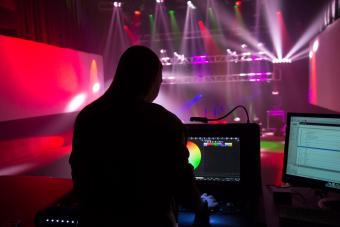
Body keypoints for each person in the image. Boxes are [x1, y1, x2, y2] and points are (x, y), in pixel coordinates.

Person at [69, 45, 215, 227]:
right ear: (152, 80)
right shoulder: (166, 122)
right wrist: (202, 205)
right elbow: (182, 185)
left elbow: (79, 175)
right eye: (160, 82)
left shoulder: (87, 116)